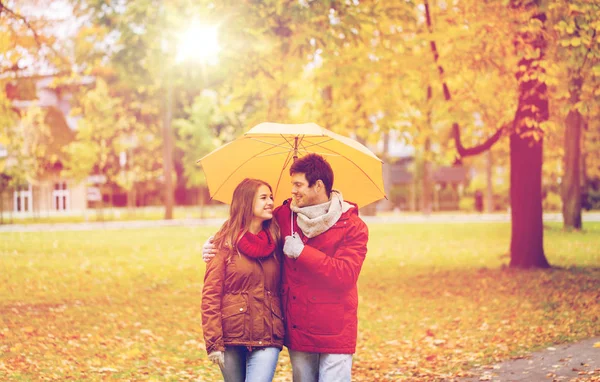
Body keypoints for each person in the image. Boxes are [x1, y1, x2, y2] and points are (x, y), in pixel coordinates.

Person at [203, 154, 369, 381]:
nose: (292, 191)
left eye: (298, 185)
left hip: (335, 327)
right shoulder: (284, 218)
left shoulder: (352, 225)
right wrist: (213, 243)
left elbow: (346, 275)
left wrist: (302, 252)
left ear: (318, 185)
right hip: (299, 327)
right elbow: (245, 224)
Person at [201, 178, 285, 382]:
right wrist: (214, 342)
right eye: (264, 197)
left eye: (271, 197)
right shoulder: (223, 242)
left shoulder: (277, 240)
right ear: (247, 202)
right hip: (232, 335)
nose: (271, 202)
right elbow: (211, 294)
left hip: (268, 333)